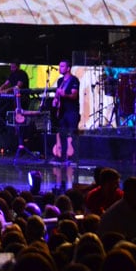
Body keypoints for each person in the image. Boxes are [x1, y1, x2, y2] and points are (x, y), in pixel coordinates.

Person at [53, 59, 80, 190]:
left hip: (72, 112)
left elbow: (74, 96)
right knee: (62, 135)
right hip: (63, 112)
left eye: (62, 66)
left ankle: (75, 159)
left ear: (68, 68)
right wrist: (55, 100)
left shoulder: (74, 80)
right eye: (60, 66)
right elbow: (58, 95)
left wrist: (65, 94)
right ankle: (63, 158)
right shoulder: (60, 81)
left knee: (72, 135)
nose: (60, 68)